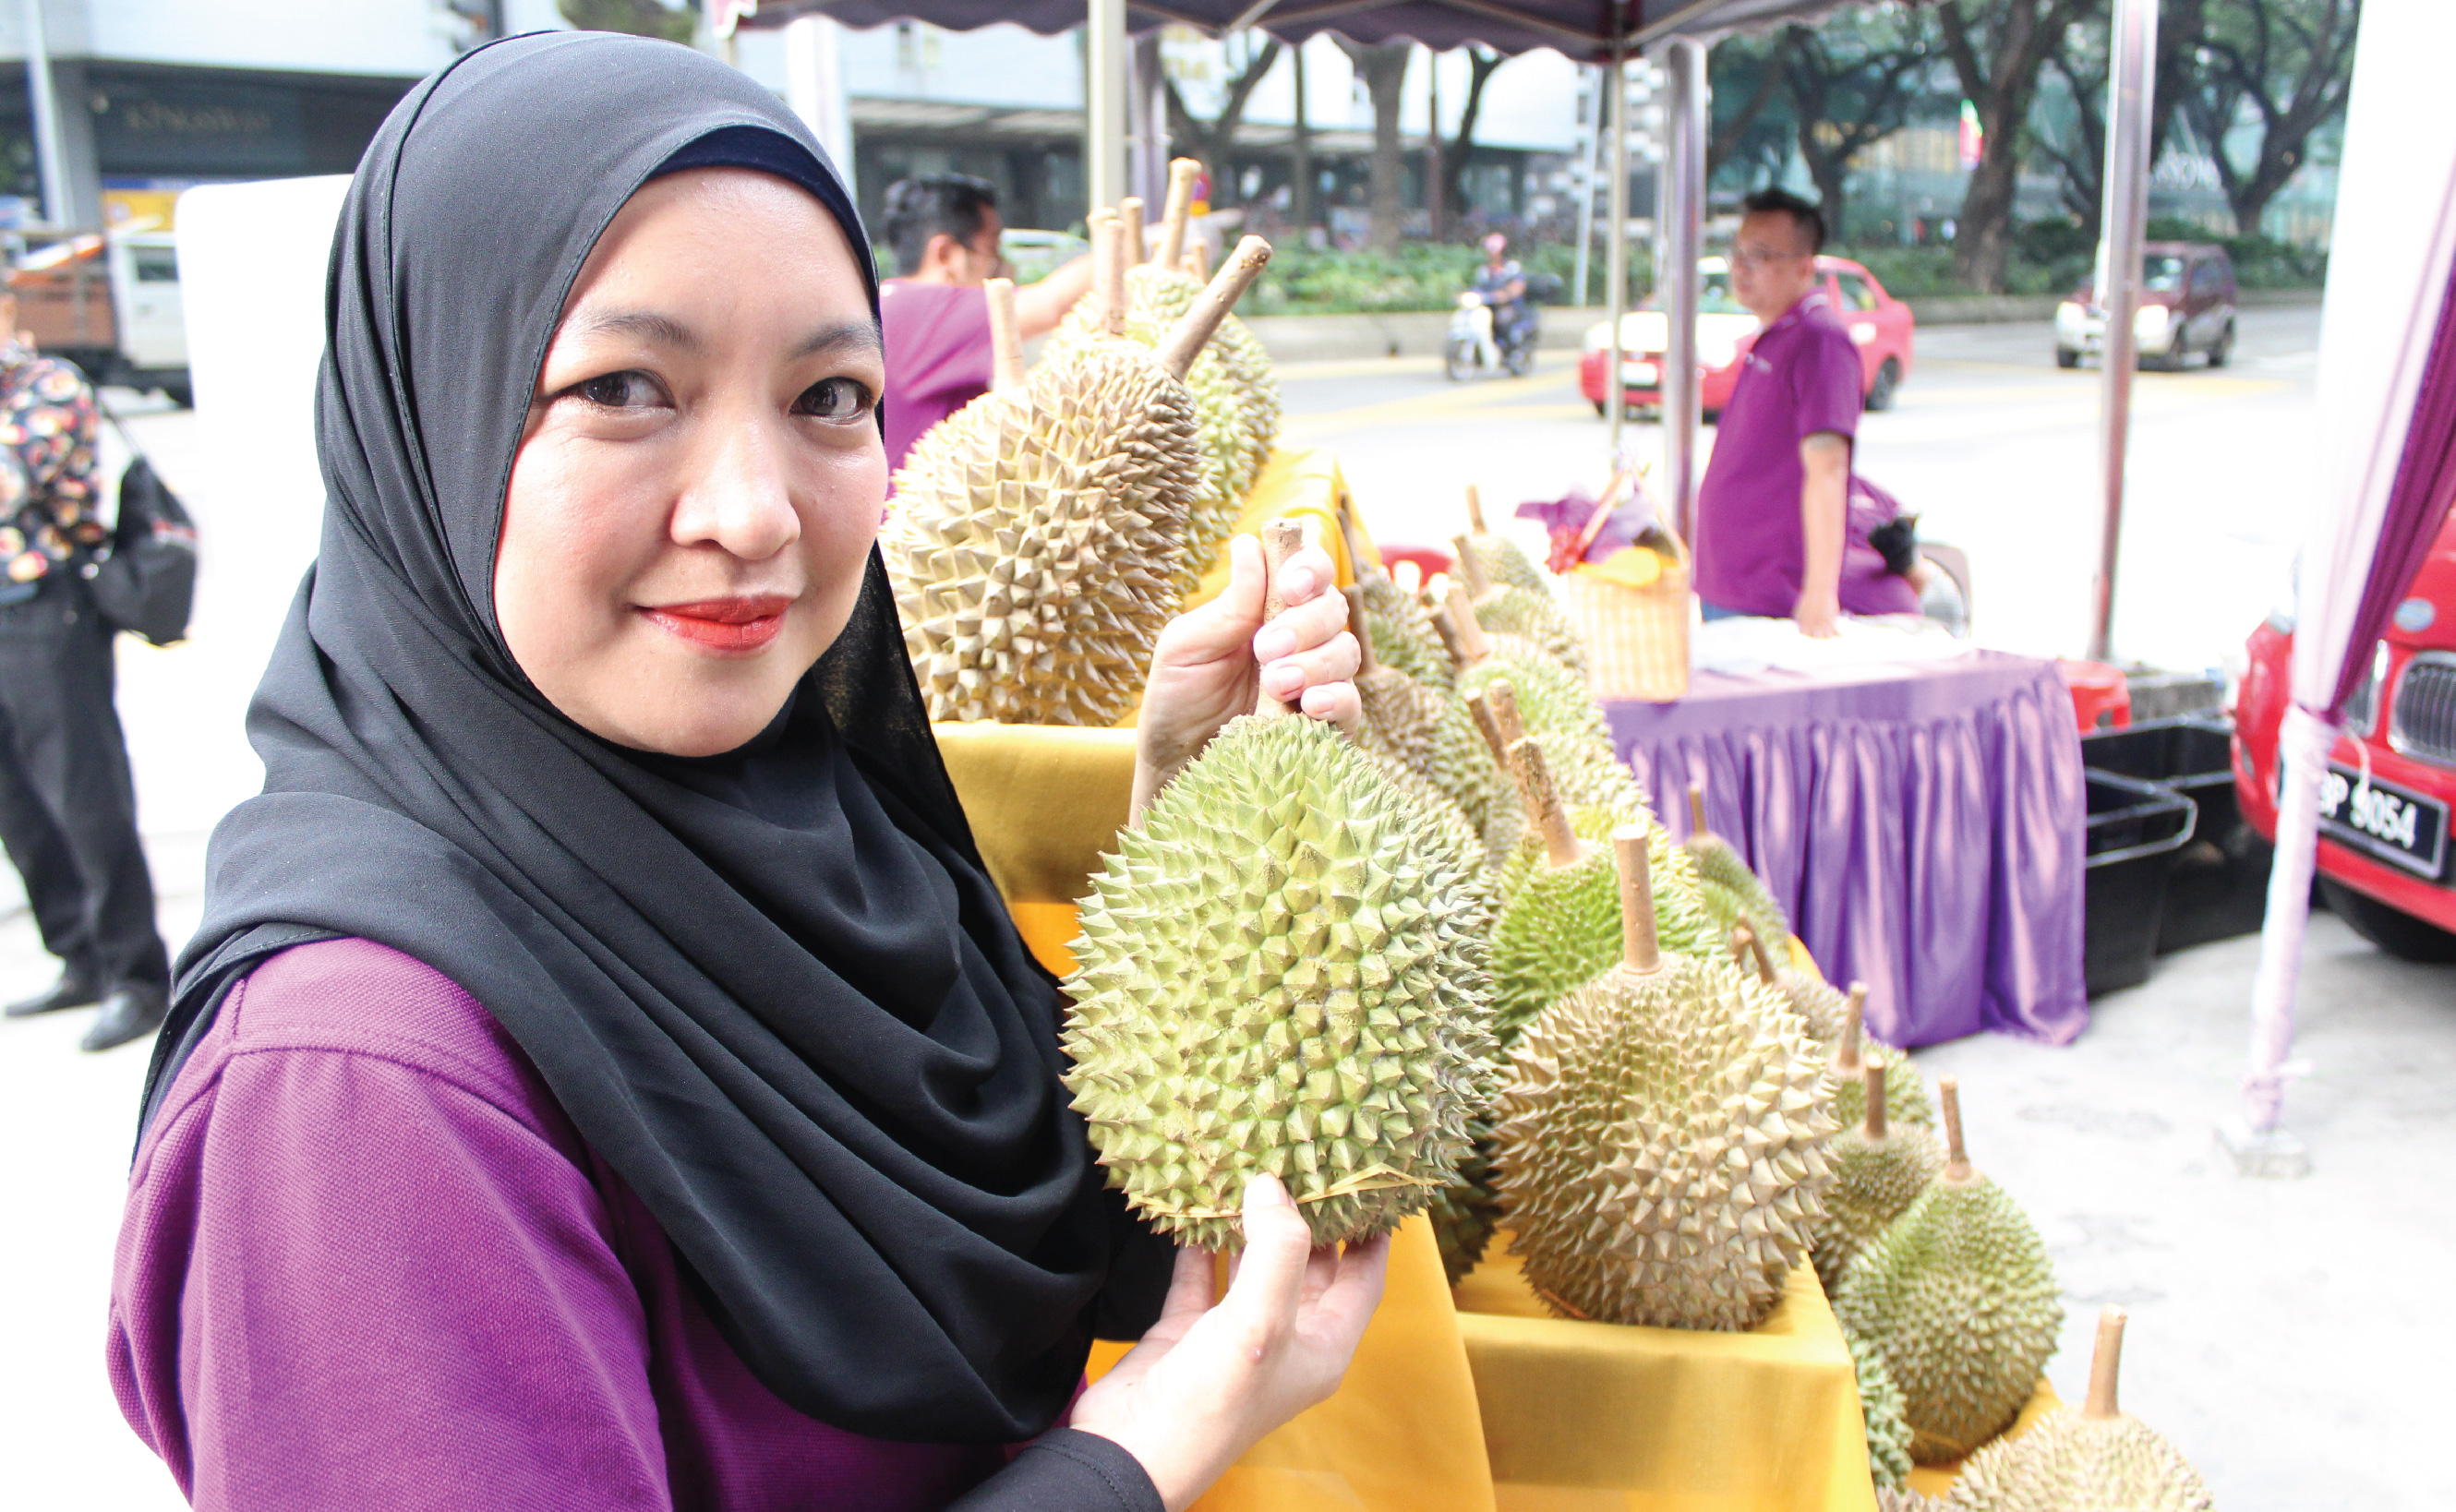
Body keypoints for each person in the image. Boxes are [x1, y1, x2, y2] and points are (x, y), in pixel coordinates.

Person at [111, 33, 1380, 1512]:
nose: (752, 509)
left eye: (830, 395)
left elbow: (1078, 1187)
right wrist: (1141, 1449)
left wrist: (1182, 805)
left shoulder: (833, 840)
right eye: (626, 386)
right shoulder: (359, 1098)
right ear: (431, 417)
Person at [0, 286, 172, 1052]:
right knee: (17, 807)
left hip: (44, 610)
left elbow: (13, 483)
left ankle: (137, 975)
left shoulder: (50, 386)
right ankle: (80, 957)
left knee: (83, 792)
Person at [1692, 188, 1919, 635]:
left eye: (1760, 255)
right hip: (1732, 585)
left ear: (1804, 265)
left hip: (1772, 597)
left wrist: (1819, 592)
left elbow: (1828, 467)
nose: (1741, 268)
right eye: (1737, 253)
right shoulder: (1776, 334)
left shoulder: (1820, 340)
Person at [879, 174, 1094, 471]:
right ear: (946, 255)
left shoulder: (888, 305)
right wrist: (1139, 247)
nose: (1005, 267)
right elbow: (1051, 304)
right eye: (992, 250)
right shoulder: (925, 312)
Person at [1470, 233, 1535, 357]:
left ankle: (1508, 351)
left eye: (1495, 251)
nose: (1492, 254)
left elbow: (1518, 285)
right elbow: (1476, 287)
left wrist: (1506, 294)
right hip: (1488, 306)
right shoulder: (1483, 270)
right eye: (1490, 251)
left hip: (1508, 306)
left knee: (1504, 320)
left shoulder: (1512, 267)